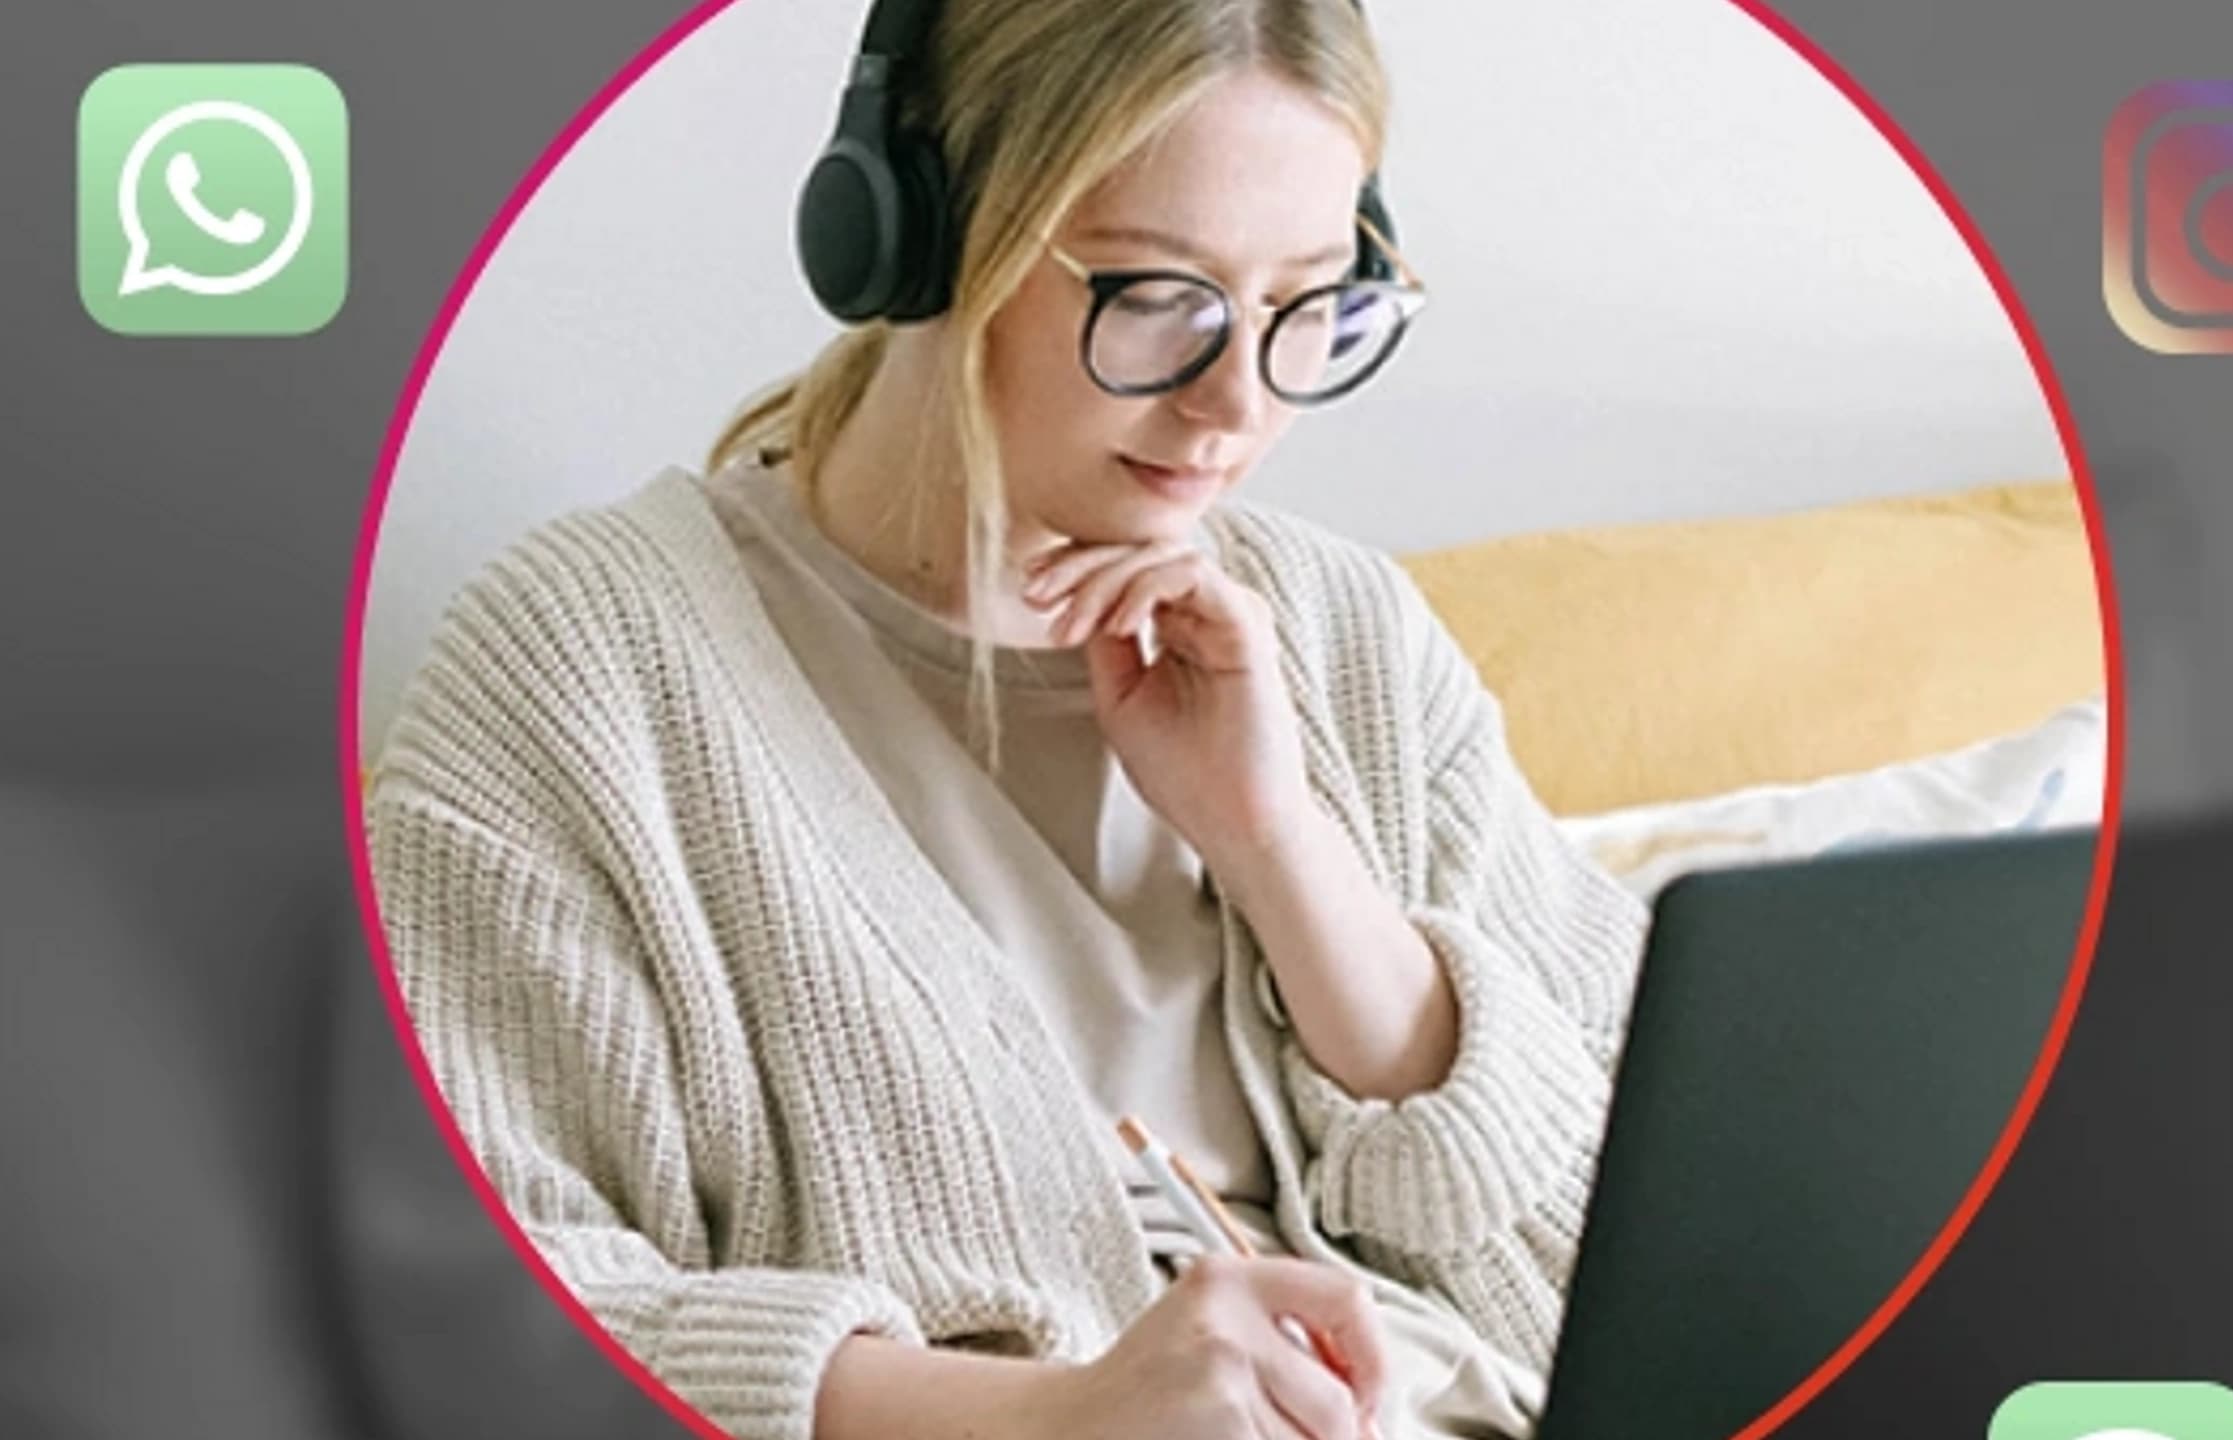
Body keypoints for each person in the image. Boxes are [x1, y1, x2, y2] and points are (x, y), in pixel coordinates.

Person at [362, 1, 1650, 1436]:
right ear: (917, 234)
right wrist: (1061, 1418)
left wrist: (1283, 848)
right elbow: (481, 1314)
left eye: (1309, 302)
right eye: (1162, 298)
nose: (1239, 404)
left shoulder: (1343, 631)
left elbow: (1662, 1215)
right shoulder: (589, 664)